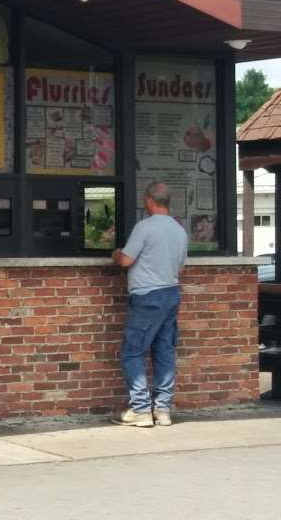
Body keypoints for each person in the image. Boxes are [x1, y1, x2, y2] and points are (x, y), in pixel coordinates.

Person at [110, 181, 187, 427]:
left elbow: (125, 261)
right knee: (164, 350)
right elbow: (181, 267)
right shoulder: (179, 231)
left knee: (133, 351)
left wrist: (116, 253)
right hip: (171, 293)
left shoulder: (144, 227)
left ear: (149, 201)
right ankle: (162, 410)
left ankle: (141, 410)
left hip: (147, 296)